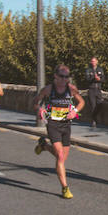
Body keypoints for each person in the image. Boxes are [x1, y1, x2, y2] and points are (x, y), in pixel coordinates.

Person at [33, 65, 85, 199]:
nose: (64, 79)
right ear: (55, 76)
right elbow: (36, 101)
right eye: (62, 76)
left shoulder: (71, 89)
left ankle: (44, 146)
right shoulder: (48, 89)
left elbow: (81, 102)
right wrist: (40, 109)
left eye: (67, 77)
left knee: (61, 157)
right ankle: (65, 188)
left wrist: (75, 111)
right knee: (60, 157)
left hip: (66, 125)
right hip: (53, 124)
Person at [84, 56, 105, 127]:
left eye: (94, 61)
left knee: (100, 104)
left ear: (97, 62)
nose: (93, 62)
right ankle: (94, 120)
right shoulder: (88, 70)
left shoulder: (100, 69)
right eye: (92, 61)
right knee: (93, 106)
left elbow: (103, 79)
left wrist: (99, 79)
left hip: (98, 89)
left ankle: (96, 117)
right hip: (91, 90)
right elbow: (87, 79)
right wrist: (94, 78)